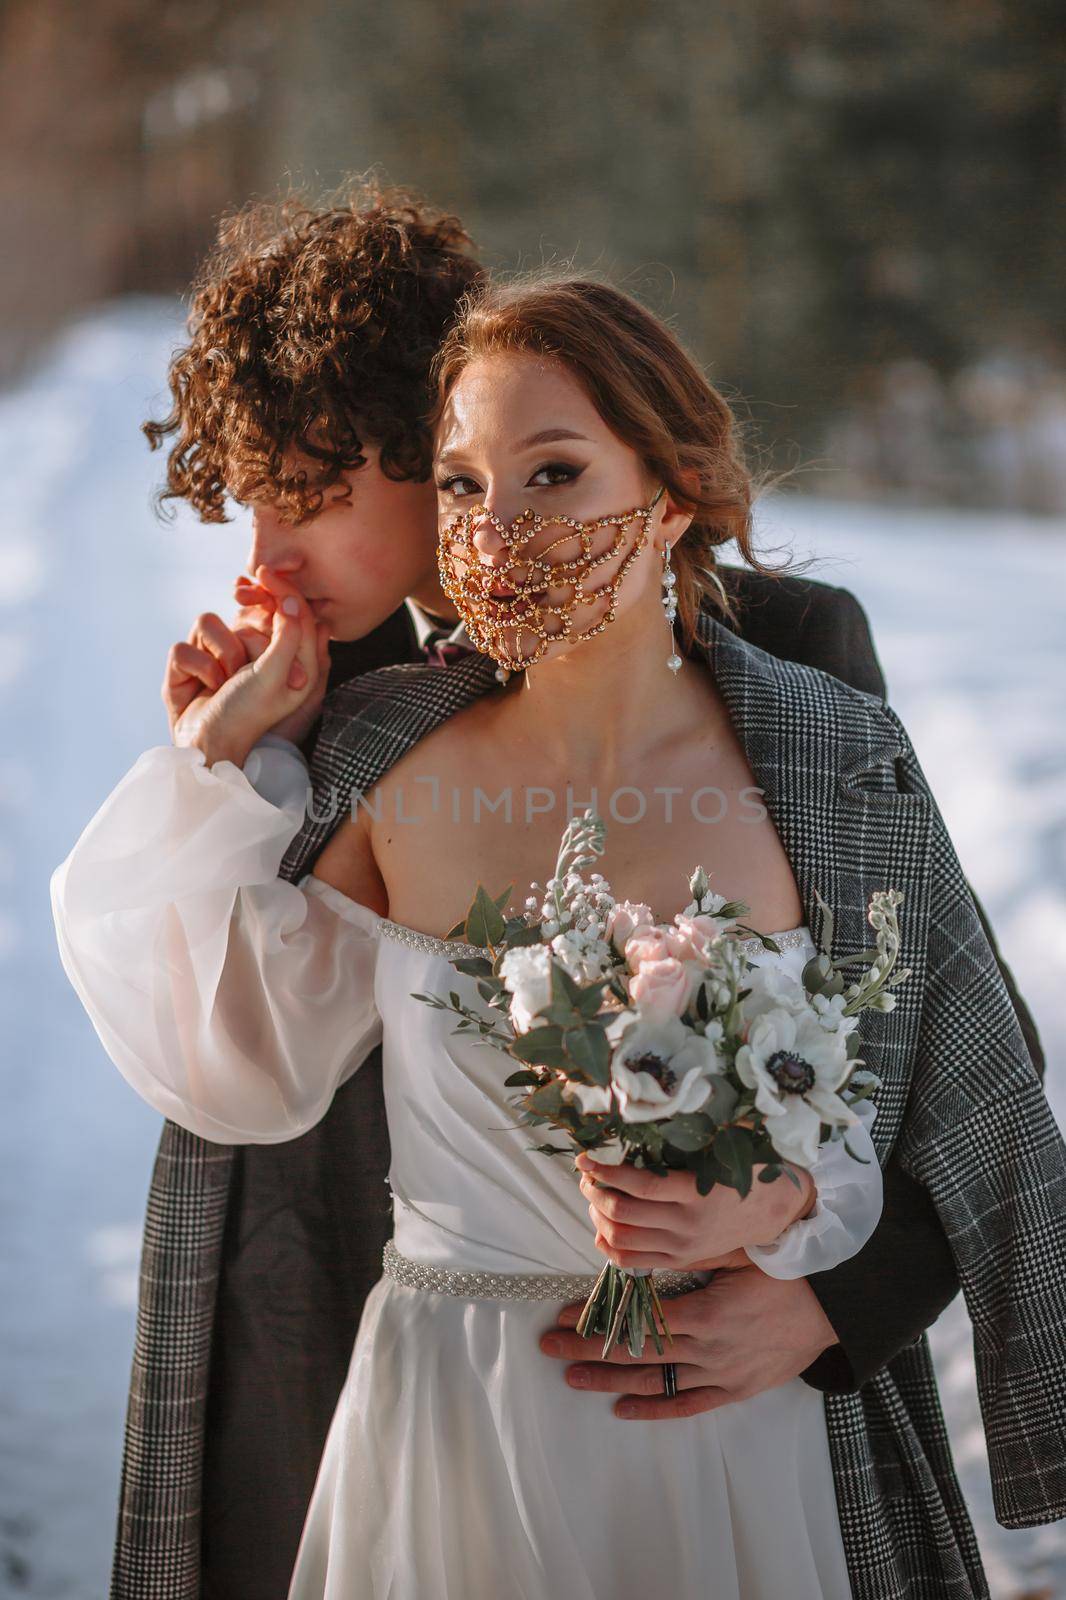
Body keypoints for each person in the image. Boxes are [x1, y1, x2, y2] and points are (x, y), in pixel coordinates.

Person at [51, 273, 1065, 1598]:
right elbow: (235, 1059)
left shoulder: (816, 734)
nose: (500, 527)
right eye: (463, 483)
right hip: (447, 1407)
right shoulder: (364, 737)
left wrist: (823, 1271)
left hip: (737, 1423)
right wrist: (218, 776)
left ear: (675, 484)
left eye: (554, 473)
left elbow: (950, 1073)